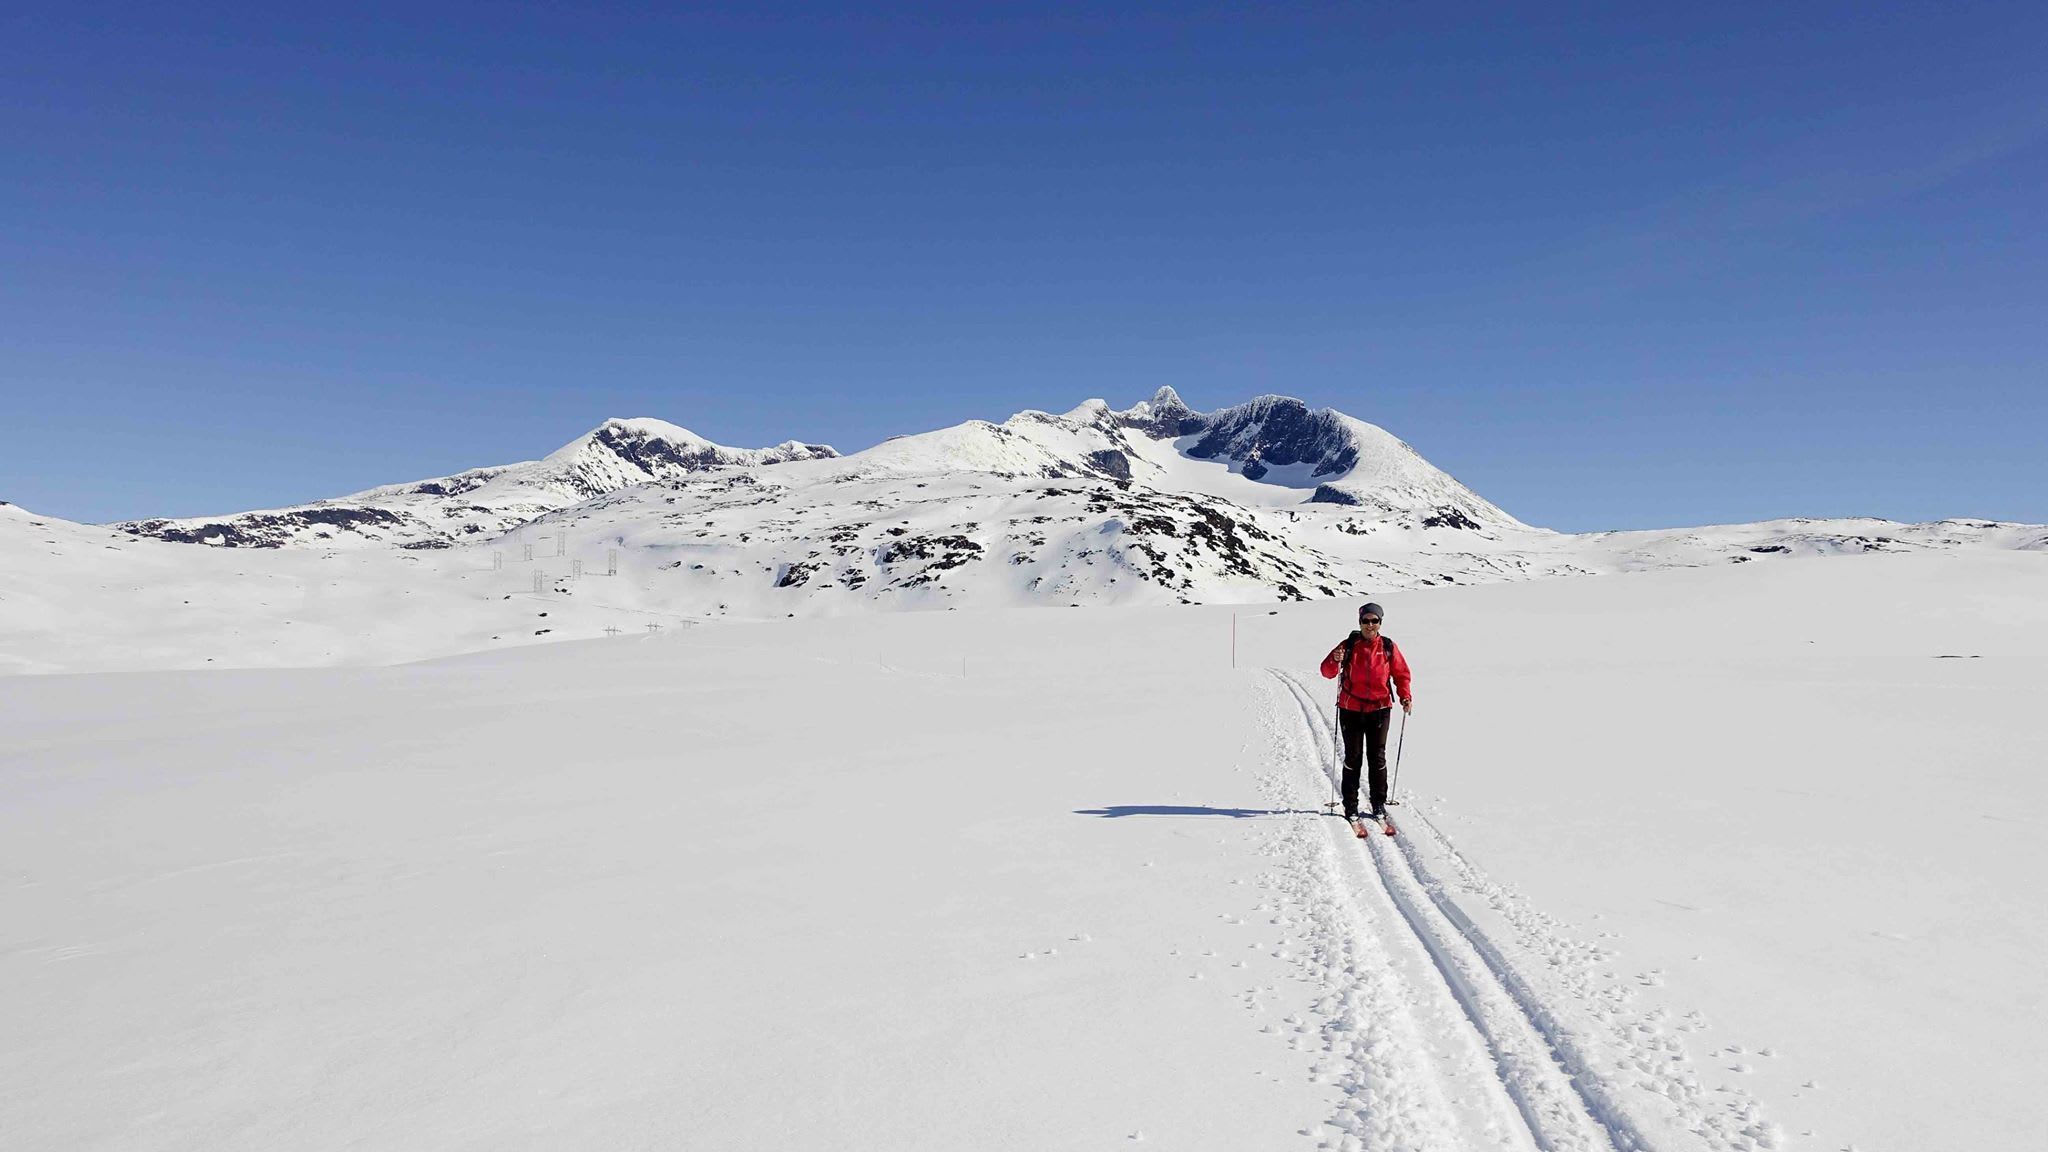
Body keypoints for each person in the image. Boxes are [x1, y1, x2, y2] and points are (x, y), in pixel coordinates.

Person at [1318, 601, 1413, 825]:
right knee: (1353, 757)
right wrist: (1334, 659)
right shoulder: (1348, 645)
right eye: (1366, 621)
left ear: (1380, 623)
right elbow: (1326, 672)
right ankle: (1350, 805)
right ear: (1359, 622)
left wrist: (1405, 696)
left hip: (1380, 709)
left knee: (1377, 758)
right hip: (1351, 709)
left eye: (1374, 621)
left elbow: (1401, 674)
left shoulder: (1388, 646)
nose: (1370, 625)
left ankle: (1378, 803)